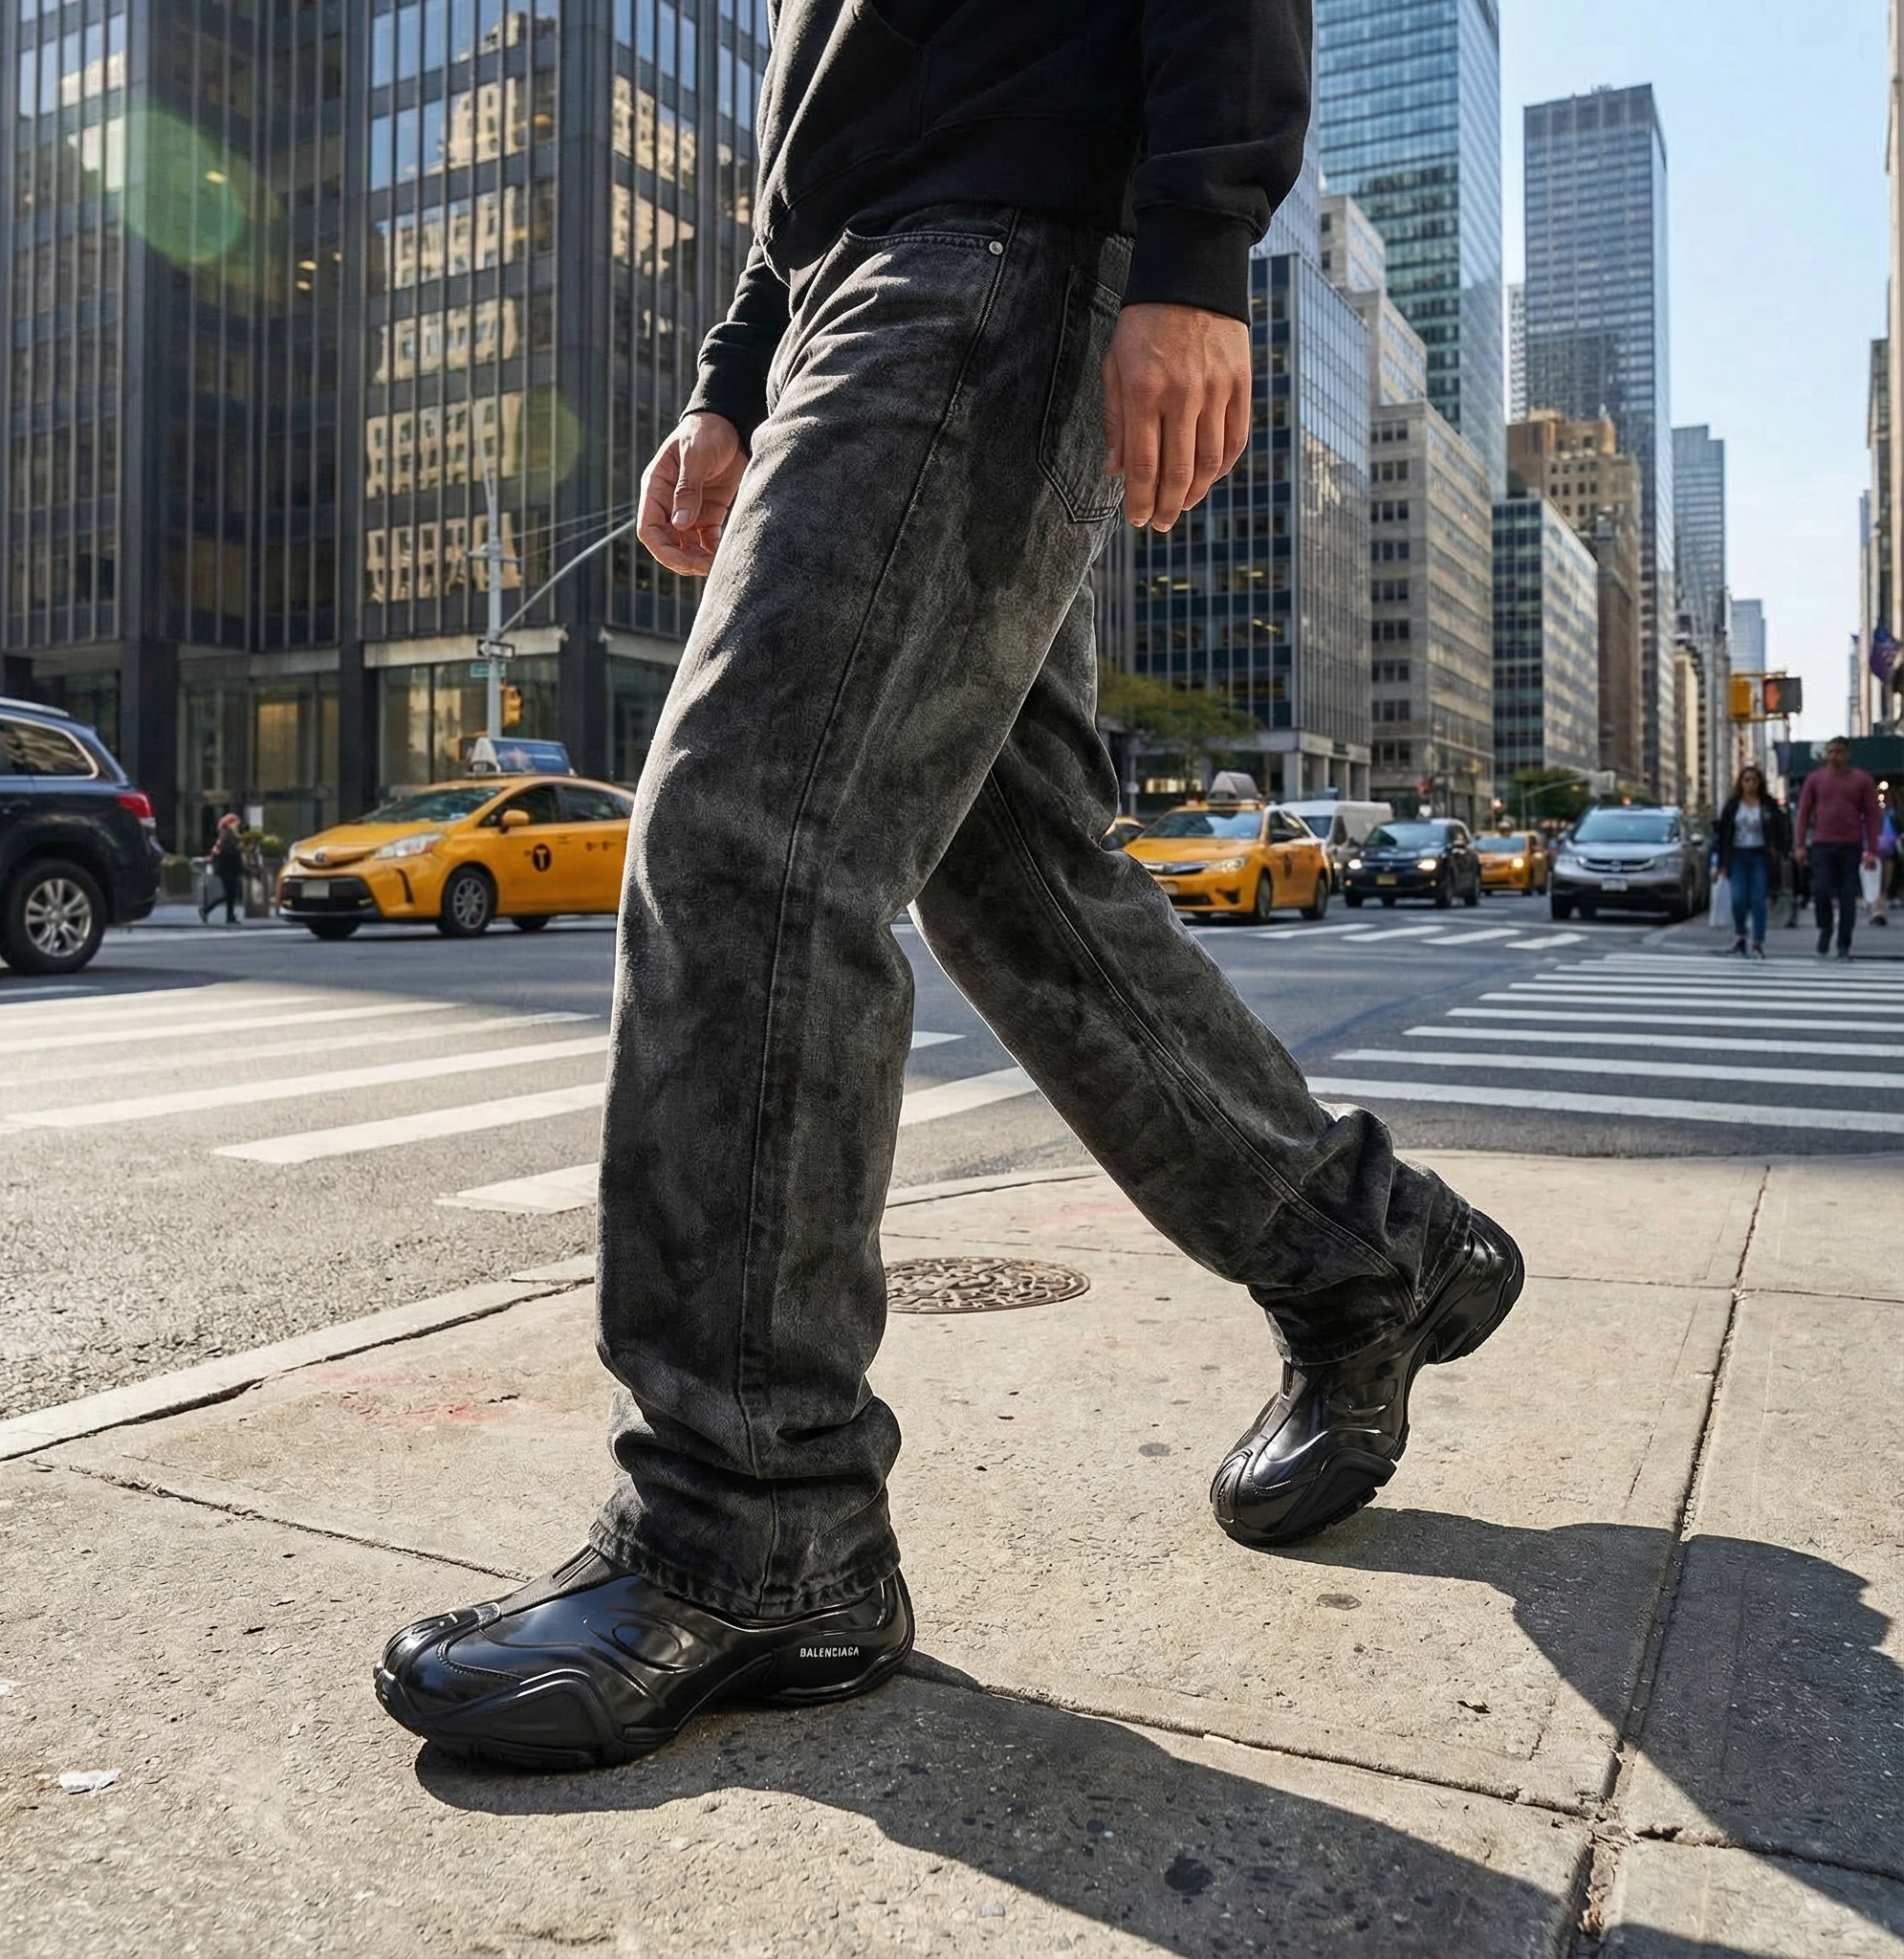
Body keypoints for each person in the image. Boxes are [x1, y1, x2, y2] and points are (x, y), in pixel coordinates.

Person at [374, 0, 1525, 1774]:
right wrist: (735, 375)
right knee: (1017, 874)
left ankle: (753, 1523)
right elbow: (829, 84)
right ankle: (1360, 1250)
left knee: (745, 843)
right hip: (881, 272)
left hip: (991, 254)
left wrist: (1194, 253)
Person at [1794, 737, 1882, 961]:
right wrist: (1799, 845)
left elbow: (1872, 816)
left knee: (1847, 897)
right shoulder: (1815, 779)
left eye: (1840, 751)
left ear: (1847, 754)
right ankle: (1825, 928)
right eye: (1831, 751)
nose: (1835, 756)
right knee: (1821, 890)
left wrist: (1872, 850)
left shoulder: (1861, 780)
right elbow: (1803, 813)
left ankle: (1844, 944)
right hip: (1822, 843)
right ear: (1826, 754)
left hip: (1851, 844)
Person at [1711, 763, 1788, 958]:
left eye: (1754, 780)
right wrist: (1719, 864)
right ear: (1741, 783)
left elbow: (1781, 829)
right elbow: (1722, 835)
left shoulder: (1768, 805)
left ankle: (1758, 942)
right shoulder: (1732, 806)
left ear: (1760, 782)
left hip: (1760, 855)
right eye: (1746, 780)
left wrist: (1781, 851)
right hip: (1737, 856)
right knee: (1738, 898)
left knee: (1757, 899)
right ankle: (1740, 936)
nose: (1750, 784)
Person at [199, 813, 245, 927]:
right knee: (229, 894)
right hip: (228, 868)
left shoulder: (230, 836)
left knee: (231, 894)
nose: (237, 826)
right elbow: (221, 851)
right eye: (235, 823)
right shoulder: (229, 836)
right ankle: (207, 909)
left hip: (229, 868)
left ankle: (229, 915)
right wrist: (238, 848)